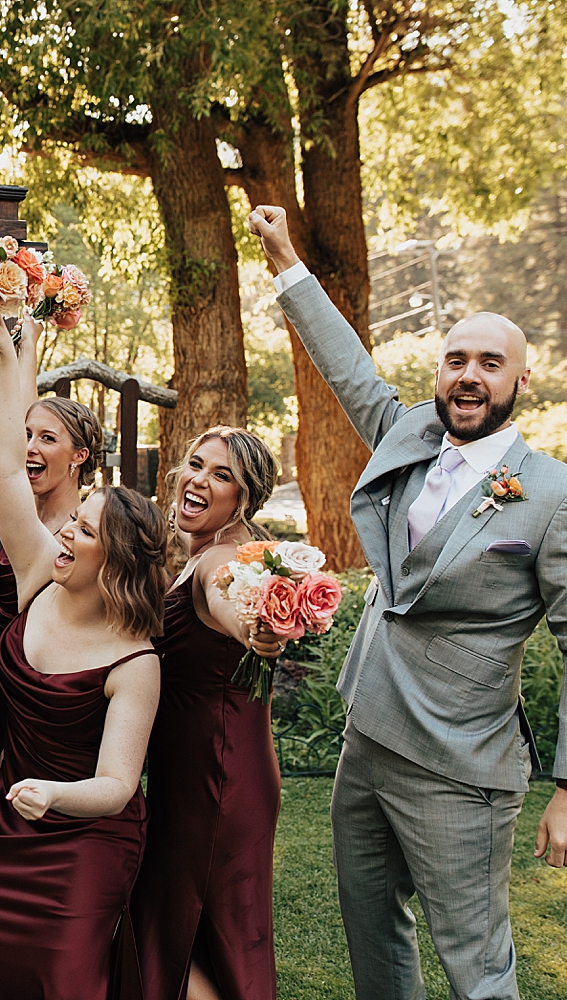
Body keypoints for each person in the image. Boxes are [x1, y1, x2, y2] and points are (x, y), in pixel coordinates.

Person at [248, 204, 567, 1000]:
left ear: (521, 381)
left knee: (476, 969)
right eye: (455, 360)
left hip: (462, 766)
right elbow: (349, 369)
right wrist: (285, 258)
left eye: (490, 362)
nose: (469, 375)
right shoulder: (409, 443)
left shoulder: (552, 494)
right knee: (374, 938)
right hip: (367, 742)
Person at [0, 316, 166, 1000]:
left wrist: (54, 795)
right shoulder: (38, 571)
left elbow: (116, 785)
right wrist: (7, 354)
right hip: (14, 821)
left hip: (88, 835)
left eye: (82, 532)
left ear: (113, 561)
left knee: (57, 976)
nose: (63, 534)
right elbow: (2, 465)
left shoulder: (135, 662)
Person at [127, 427, 285, 1000]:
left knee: (179, 931)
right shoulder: (211, 554)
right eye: (196, 464)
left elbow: (231, 604)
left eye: (222, 476)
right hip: (202, 776)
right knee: (186, 935)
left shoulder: (223, 562)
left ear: (244, 498)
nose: (199, 480)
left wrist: (257, 632)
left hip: (217, 783)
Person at [0, 318, 104, 635]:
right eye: (27, 436)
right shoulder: (22, 509)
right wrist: (29, 343)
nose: (29, 447)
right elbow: (22, 413)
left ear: (79, 456)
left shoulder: (84, 534)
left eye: (48, 439)